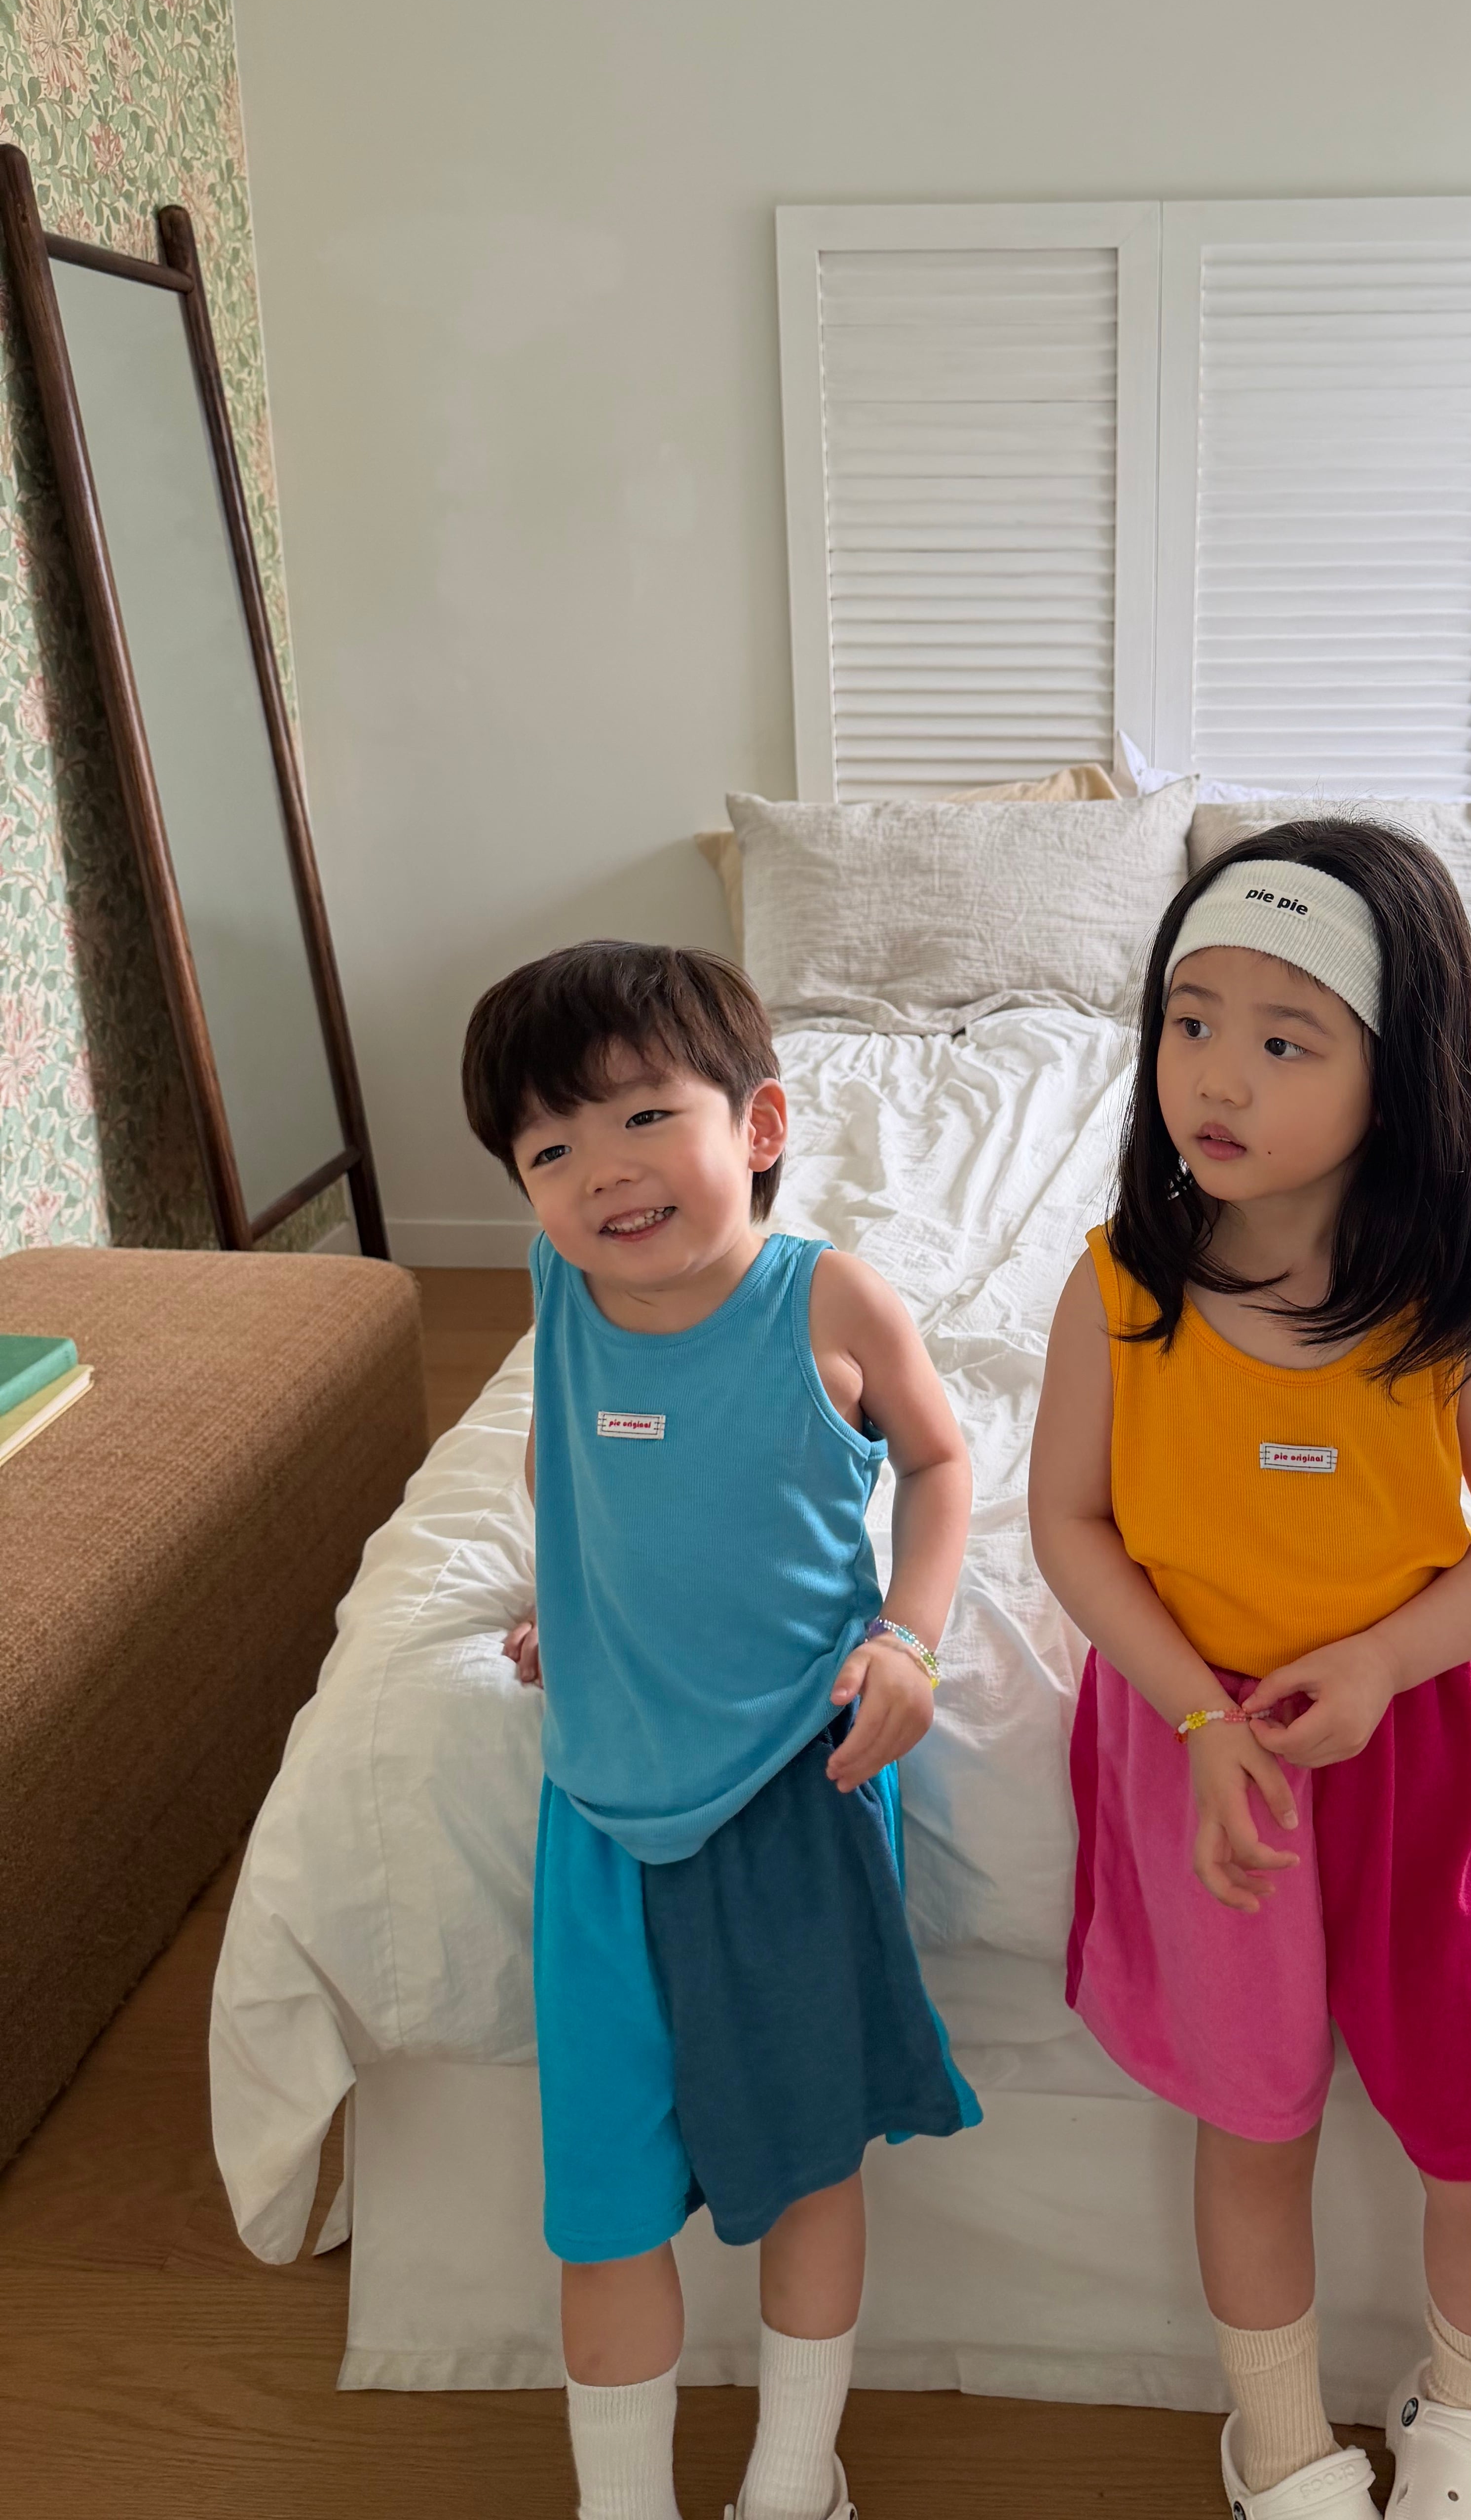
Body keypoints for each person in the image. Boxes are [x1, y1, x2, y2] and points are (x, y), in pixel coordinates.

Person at [1029, 824, 1471, 2520]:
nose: (1217, 1076)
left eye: (1285, 1041)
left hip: (1416, 1748)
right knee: (1252, 2120)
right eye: (1190, 1021)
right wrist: (1200, 1717)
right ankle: (1275, 2439)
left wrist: (1382, 1658)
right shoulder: (1118, 1292)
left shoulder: (1453, 1312)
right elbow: (1067, 1526)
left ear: (1394, 1077)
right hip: (1203, 1743)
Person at [462, 940, 980, 2520]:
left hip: (793, 1788)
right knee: (604, 2203)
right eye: (551, 1150)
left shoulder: (826, 1300)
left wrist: (909, 1638)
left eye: (642, 1120)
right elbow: (568, 1449)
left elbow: (940, 1463)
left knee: (809, 2162)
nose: (601, 1175)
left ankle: (792, 2478)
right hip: (600, 1811)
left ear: (756, 1126)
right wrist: (570, 1591)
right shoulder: (556, 1283)